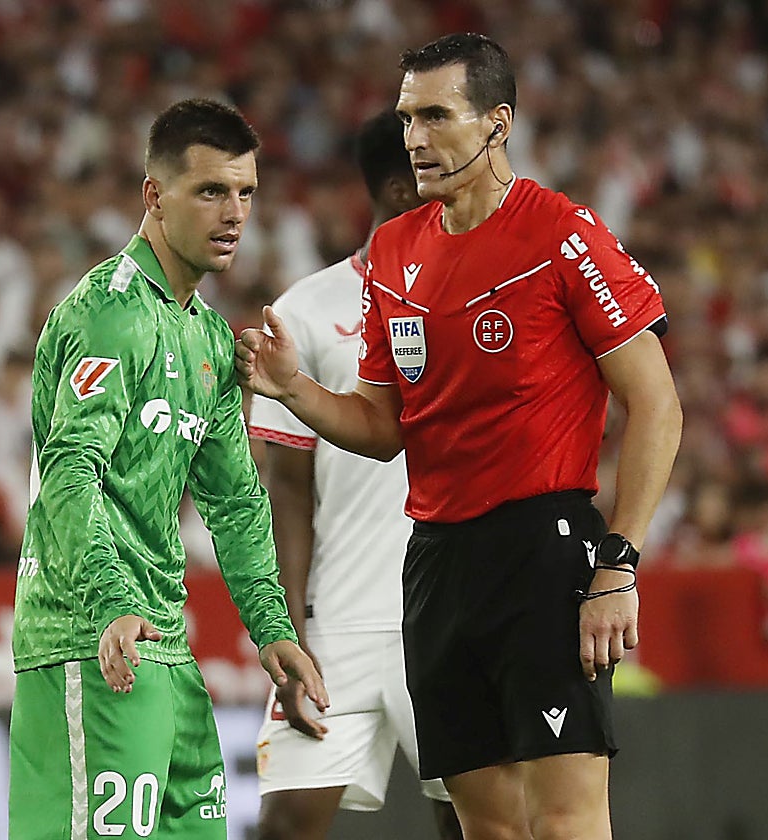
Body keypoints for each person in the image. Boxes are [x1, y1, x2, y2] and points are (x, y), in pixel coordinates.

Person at [237, 34, 682, 840]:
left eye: (437, 115)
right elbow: (379, 428)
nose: (415, 137)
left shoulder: (561, 232)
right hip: (436, 561)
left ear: (497, 123)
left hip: (543, 550)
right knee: (490, 830)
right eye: (408, 117)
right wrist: (292, 387)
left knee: (564, 823)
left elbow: (657, 404)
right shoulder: (399, 251)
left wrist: (619, 564)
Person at [9, 98, 327, 840]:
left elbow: (237, 501)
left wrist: (272, 627)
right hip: (91, 639)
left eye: (246, 192)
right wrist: (113, 600)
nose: (235, 213)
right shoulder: (108, 313)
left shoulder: (210, 338)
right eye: (211, 190)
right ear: (155, 196)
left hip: (168, 652)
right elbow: (69, 468)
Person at [250, 110, 461, 840]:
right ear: (404, 189)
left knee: (471, 822)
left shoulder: (473, 298)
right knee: (285, 823)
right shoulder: (306, 309)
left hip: (447, 612)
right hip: (338, 619)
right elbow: (287, 485)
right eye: (443, 172)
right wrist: (288, 620)